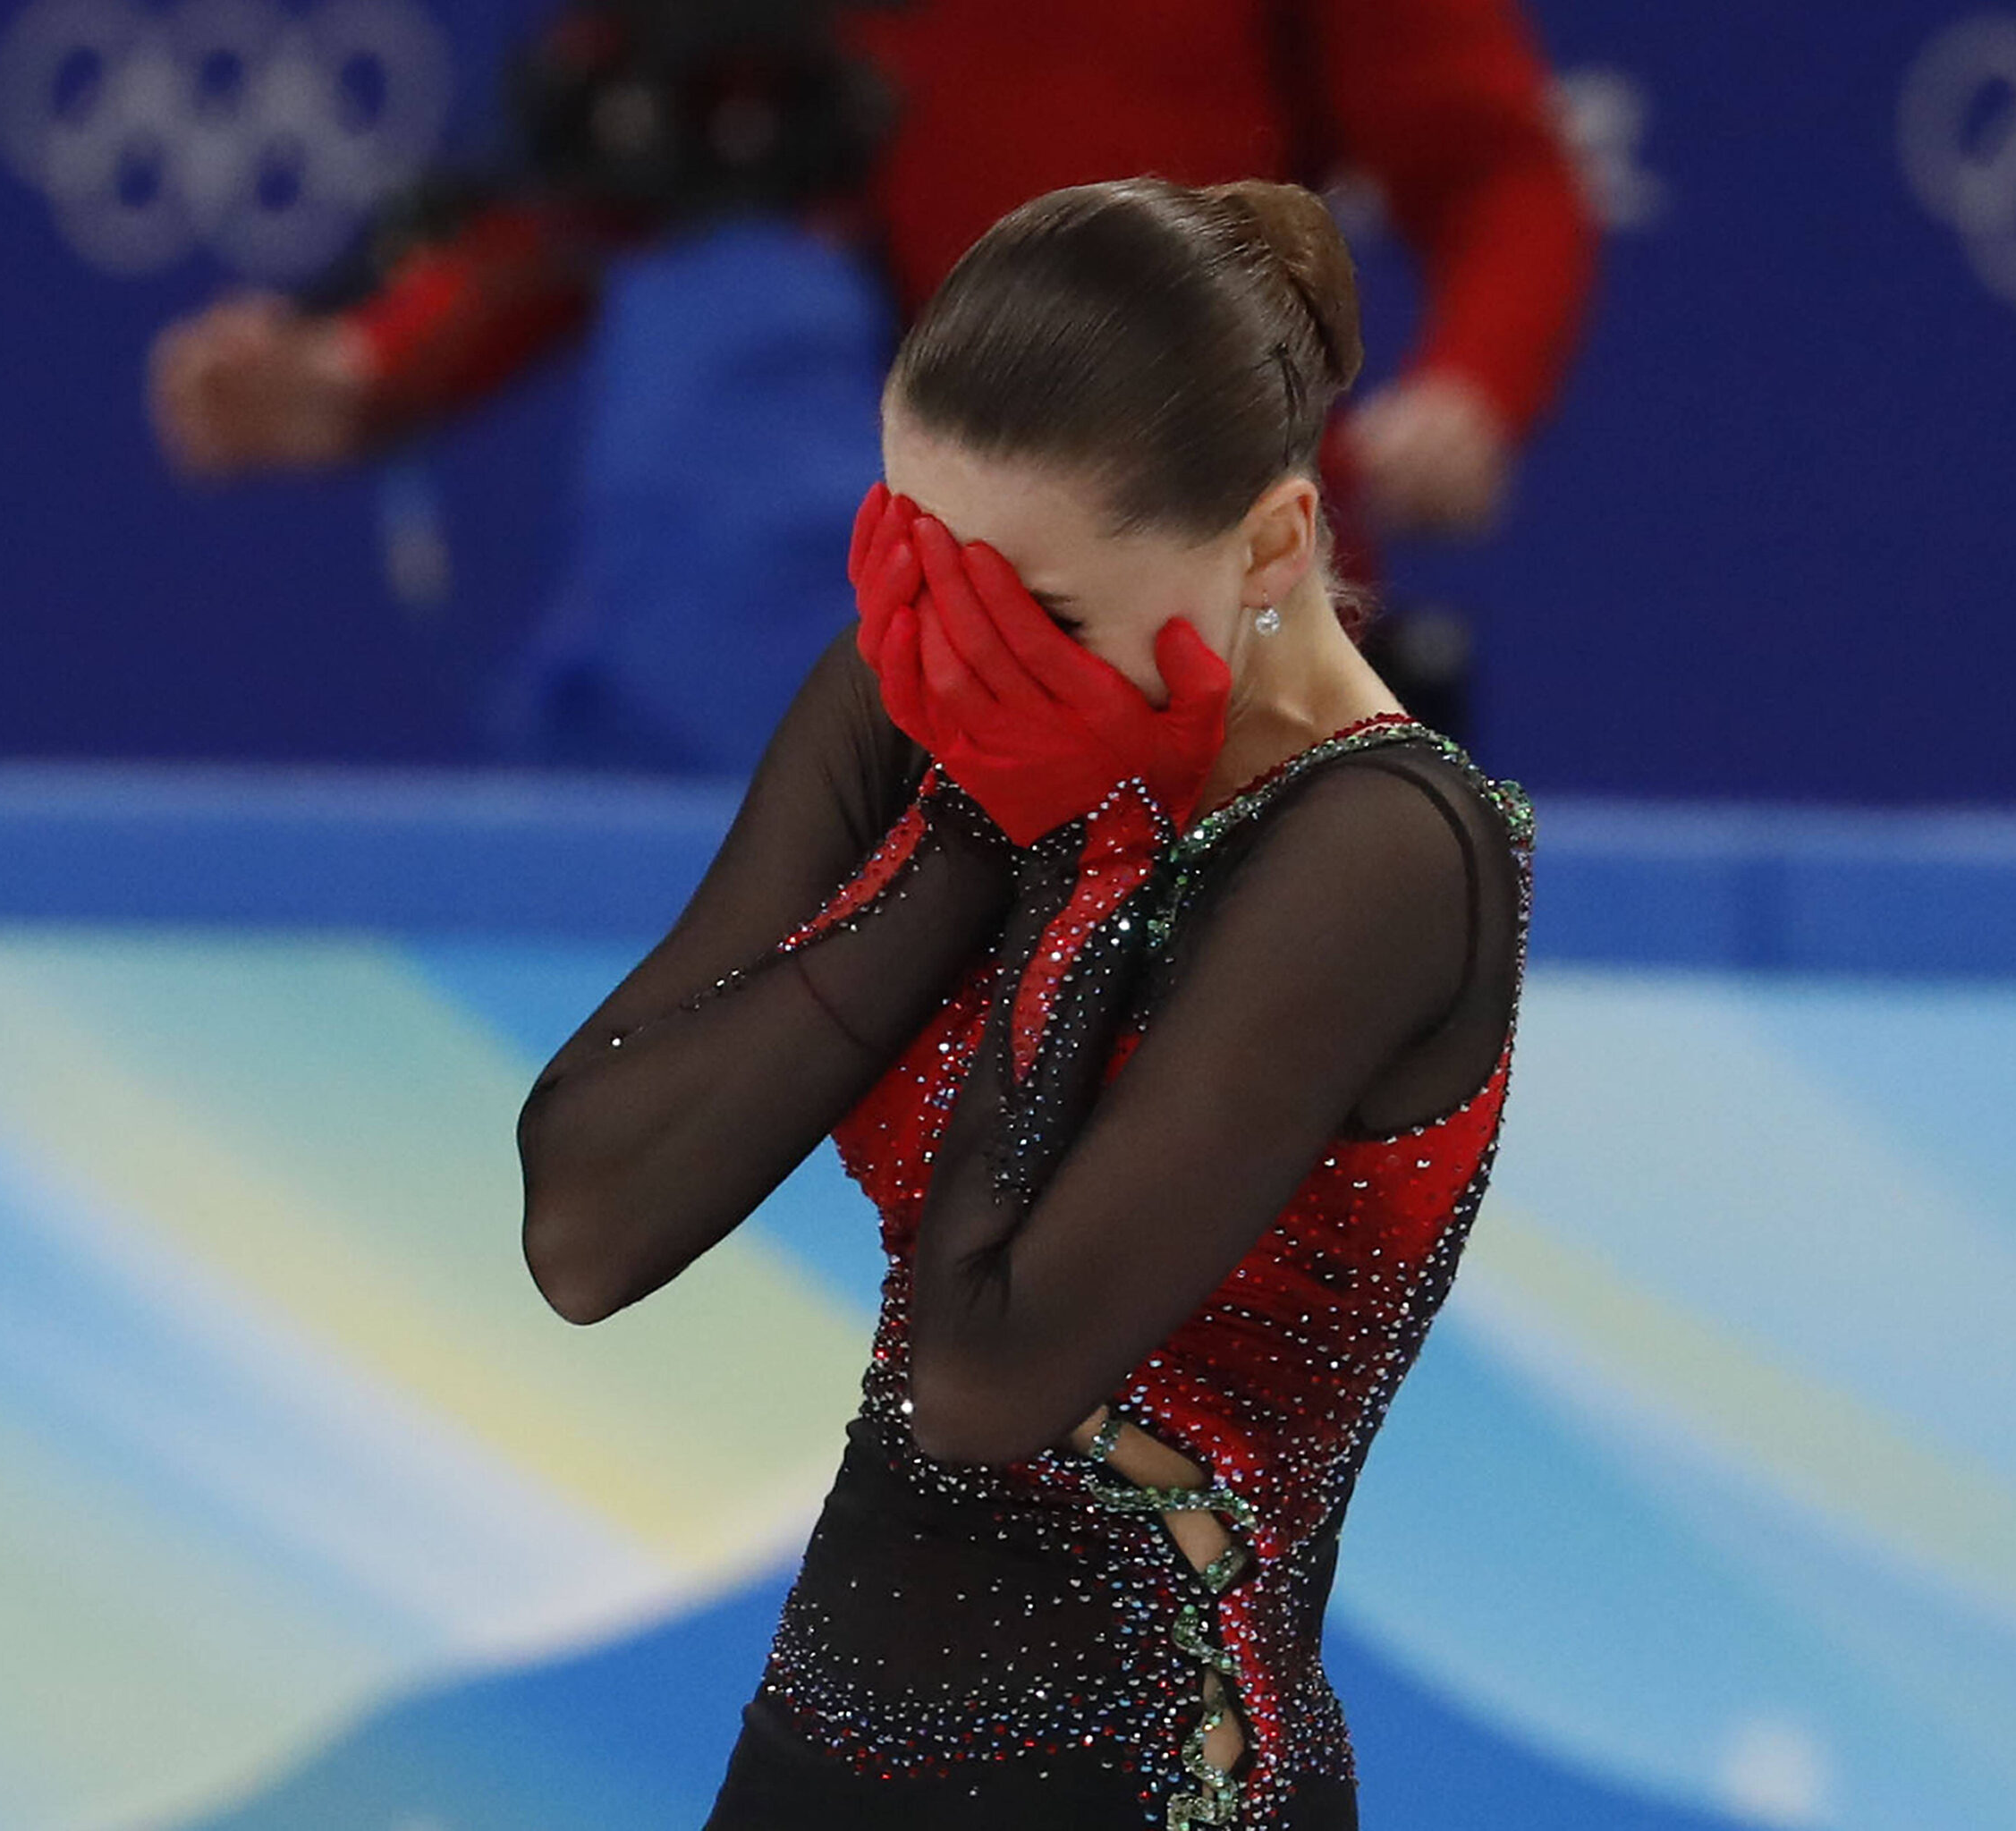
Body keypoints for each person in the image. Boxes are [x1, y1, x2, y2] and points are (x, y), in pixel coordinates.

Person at [517, 175, 1530, 1829]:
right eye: (924, 567)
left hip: (1154, 1783)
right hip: (819, 1770)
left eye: (1037, 617)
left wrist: (1065, 844)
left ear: (1270, 546)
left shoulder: (1386, 850)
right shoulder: (931, 718)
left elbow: (988, 1375)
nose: (955, 656)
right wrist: (978, 828)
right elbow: (588, 1224)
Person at [150, 0, 1594, 768]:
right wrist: (361, 371)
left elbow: (1498, 172)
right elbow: (607, 179)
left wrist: (1473, 388)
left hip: (1198, 636)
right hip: (804, 641)